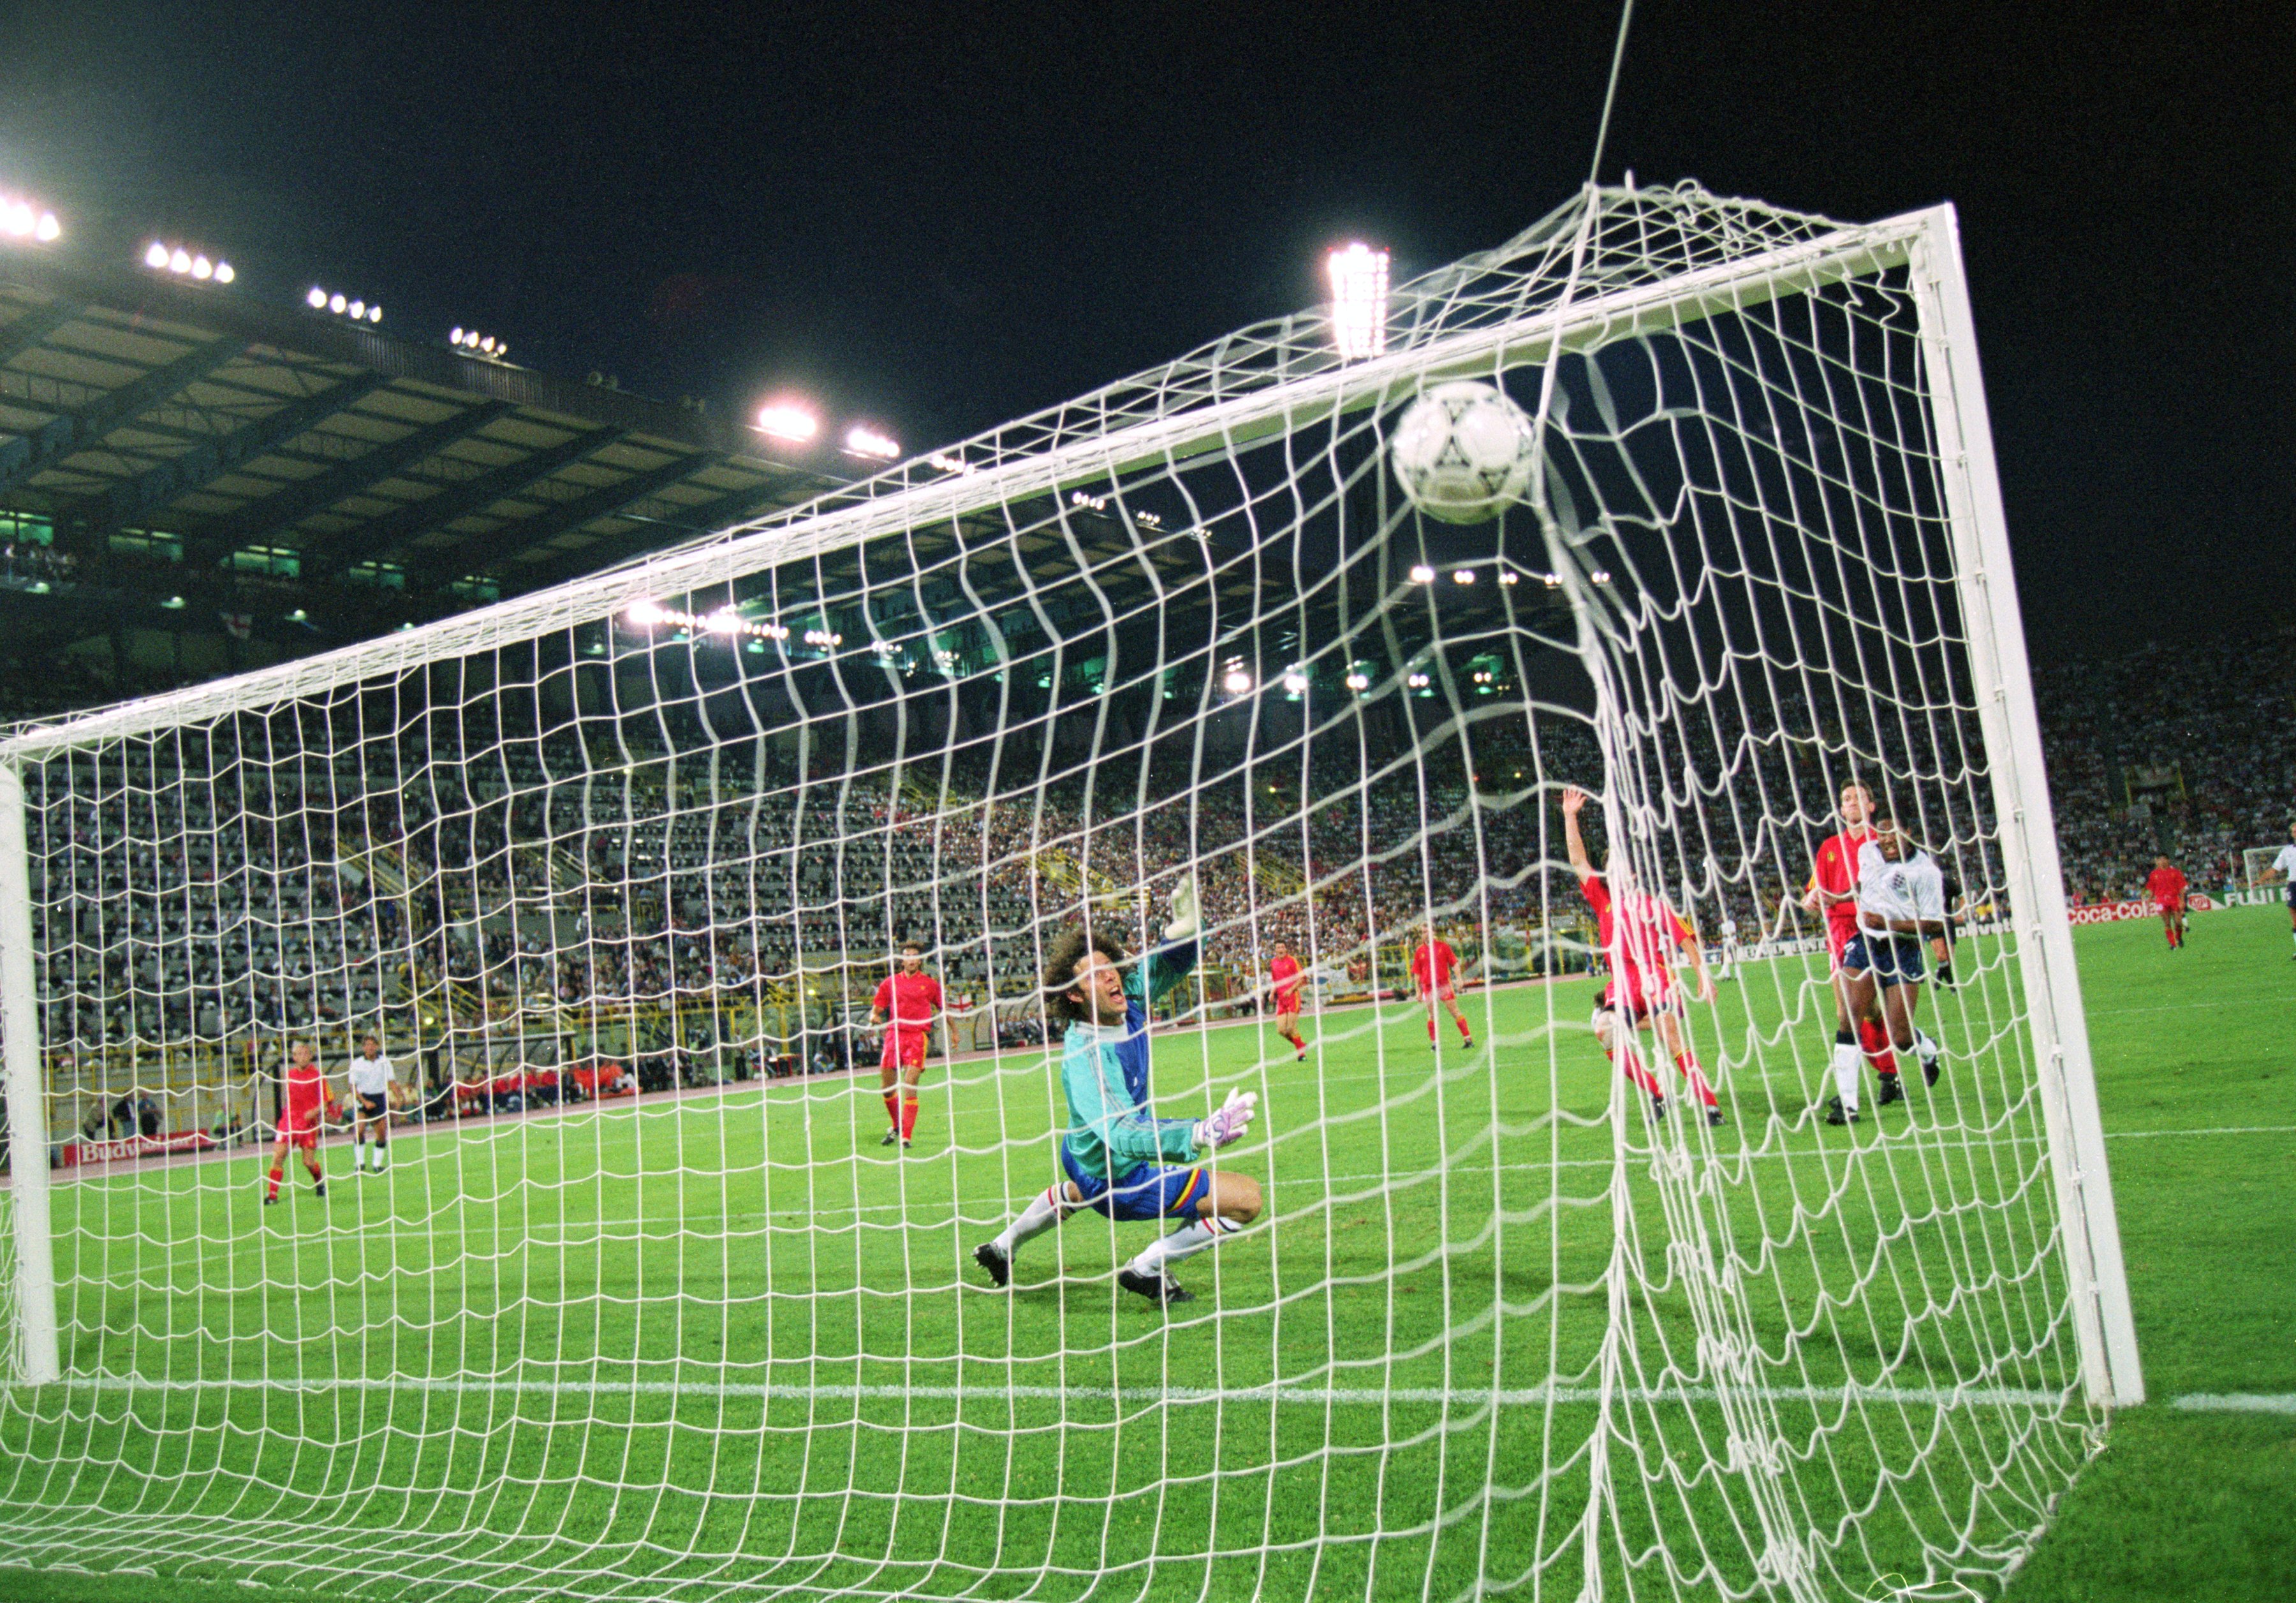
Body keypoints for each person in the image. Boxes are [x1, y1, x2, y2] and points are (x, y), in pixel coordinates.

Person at [974, 878, 1261, 1306]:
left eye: (1110, 966)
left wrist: (1184, 930)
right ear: (1074, 994)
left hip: (1081, 1150)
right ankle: (1147, 1267)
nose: (1110, 975)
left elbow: (1163, 967)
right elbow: (1125, 1130)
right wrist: (1198, 1132)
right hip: (1121, 1175)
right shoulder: (1087, 1054)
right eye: (1095, 973)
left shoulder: (1122, 998)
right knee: (1247, 1200)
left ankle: (1001, 1247)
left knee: (1077, 1189)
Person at [1562, 787, 1722, 1124]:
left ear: (1633, 873)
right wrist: (1570, 816)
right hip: (1621, 980)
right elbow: (1578, 859)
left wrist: (1702, 975)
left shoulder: (1653, 905)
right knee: (1604, 1029)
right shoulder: (1601, 898)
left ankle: (1709, 1103)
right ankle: (1657, 1094)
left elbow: (1687, 942)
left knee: (1669, 1036)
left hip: (1654, 976)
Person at [1829, 816, 1948, 1125]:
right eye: (1881, 832)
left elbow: (1935, 923)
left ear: (1908, 831)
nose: (1886, 839)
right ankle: (1848, 1104)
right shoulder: (1867, 852)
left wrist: (1889, 923)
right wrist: (1840, 896)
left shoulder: (1925, 872)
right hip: (1866, 943)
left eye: (1893, 832)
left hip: (1904, 948)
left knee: (1900, 1035)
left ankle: (1927, 1048)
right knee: (1849, 1016)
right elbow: (1864, 883)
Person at [1800, 782, 1902, 1098]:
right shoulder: (1829, 847)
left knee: (1856, 1013)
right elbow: (1812, 895)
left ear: (1872, 806)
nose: (1852, 803)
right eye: (1846, 799)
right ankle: (1889, 1075)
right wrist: (1813, 900)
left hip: (1873, 931)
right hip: (1839, 933)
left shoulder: (1883, 844)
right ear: (1841, 809)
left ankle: (1858, 1090)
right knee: (1856, 1012)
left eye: (1859, 797)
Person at [871, 942, 943, 1149]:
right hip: (894, 1035)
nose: (911, 959)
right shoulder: (889, 983)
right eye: (907, 956)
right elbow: (876, 1010)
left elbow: (943, 1008)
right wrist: (875, 1017)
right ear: (902, 960)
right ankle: (897, 1125)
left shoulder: (929, 984)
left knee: (910, 1085)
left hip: (917, 1036)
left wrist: (955, 1032)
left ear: (920, 960)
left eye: (915, 956)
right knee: (887, 1088)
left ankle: (906, 1137)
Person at [261, 1039, 332, 1204]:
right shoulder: (289, 1075)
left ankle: (319, 1183)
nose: (303, 1057)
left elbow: (327, 1102)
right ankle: (272, 1195)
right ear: (294, 1057)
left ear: (311, 1055)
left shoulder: (318, 1075)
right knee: (278, 1156)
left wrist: (314, 1111)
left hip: (308, 1124)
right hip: (288, 1122)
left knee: (308, 1162)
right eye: (299, 1054)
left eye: (306, 1053)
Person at [1409, 920, 1474, 1051]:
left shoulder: (1443, 947)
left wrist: (1459, 978)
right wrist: (1418, 991)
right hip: (1428, 986)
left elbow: (1454, 963)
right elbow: (1417, 972)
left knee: (1454, 1011)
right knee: (1432, 1014)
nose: (1424, 934)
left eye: (1426, 931)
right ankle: (1435, 1044)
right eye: (1422, 932)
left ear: (1434, 932)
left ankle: (1468, 1039)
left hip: (1443, 984)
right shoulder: (1420, 951)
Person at [346, 1033, 395, 1174]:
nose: (370, 1047)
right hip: (363, 1098)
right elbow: (352, 1086)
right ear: (363, 1048)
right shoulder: (356, 1063)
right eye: (367, 1045)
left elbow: (391, 1081)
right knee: (359, 1130)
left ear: (377, 1046)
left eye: (373, 1045)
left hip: (379, 1098)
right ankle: (360, 1163)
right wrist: (364, 1101)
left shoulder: (384, 1062)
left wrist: (399, 1097)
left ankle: (377, 1164)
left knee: (381, 1133)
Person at [1268, 940, 1307, 1061]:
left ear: (1286, 949)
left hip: (1292, 997)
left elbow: (1302, 978)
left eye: (1282, 947)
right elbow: (1275, 981)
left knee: (1291, 1028)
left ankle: (1301, 1054)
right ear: (1275, 950)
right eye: (1278, 947)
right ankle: (1301, 1045)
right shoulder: (1273, 963)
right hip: (1281, 999)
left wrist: (1291, 990)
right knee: (1281, 1030)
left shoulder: (1292, 961)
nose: (1280, 949)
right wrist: (1272, 992)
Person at [2263, 822, 2296, 959]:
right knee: (2294, 916)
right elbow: (2275, 869)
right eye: (2294, 831)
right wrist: (2261, 880)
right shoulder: (2287, 851)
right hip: (2293, 885)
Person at [2144, 855, 2188, 952]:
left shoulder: (2175, 872)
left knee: (2178, 922)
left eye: (2164, 859)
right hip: (2161, 900)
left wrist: (2182, 900)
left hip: (2174, 899)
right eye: (2160, 860)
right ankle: (2173, 944)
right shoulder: (2154, 874)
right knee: (2167, 923)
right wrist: (2149, 900)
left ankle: (2179, 937)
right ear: (2158, 862)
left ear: (2168, 860)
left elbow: (2182, 888)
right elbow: (2152, 889)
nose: (2162, 861)